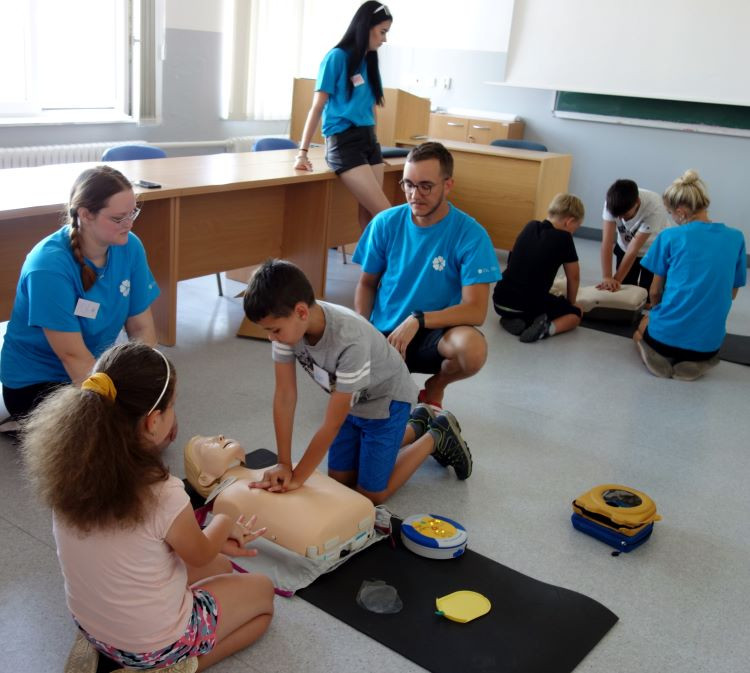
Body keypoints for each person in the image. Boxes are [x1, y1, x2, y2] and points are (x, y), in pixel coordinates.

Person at [21, 342, 274, 671]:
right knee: (263, 597)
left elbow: (151, 546)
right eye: (173, 405)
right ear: (153, 421)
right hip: (152, 645)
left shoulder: (67, 471)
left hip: (91, 627)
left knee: (222, 566)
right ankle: (176, 667)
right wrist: (225, 518)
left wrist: (213, 541)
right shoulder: (162, 493)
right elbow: (199, 554)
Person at [243, 259, 473, 506]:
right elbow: (285, 396)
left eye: (274, 330)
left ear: (301, 312)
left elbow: (332, 423)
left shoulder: (349, 340)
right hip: (351, 401)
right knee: (340, 482)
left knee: (369, 496)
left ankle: (437, 434)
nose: (271, 338)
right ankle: (418, 423)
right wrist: (284, 463)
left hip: (387, 401)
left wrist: (298, 478)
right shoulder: (288, 330)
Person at [1, 166, 160, 426]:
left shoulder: (130, 246)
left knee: (152, 424)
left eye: (133, 212)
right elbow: (72, 357)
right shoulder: (48, 266)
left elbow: (142, 328)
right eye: (118, 218)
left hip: (94, 366)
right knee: (114, 435)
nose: (129, 224)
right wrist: (118, 406)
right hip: (38, 382)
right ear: (85, 215)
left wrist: (147, 382)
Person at [352, 141, 501, 408]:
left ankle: (435, 386)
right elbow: (366, 284)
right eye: (408, 184)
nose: (414, 195)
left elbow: (476, 310)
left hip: (434, 333)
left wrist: (418, 320)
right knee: (365, 406)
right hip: (385, 334)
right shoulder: (385, 223)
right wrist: (364, 332)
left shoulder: (471, 234)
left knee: (473, 349)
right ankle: (388, 379)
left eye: (426, 186)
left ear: (448, 185)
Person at [633, 170, 746, 381]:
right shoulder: (736, 238)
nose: (672, 218)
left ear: (681, 211)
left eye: (670, 213)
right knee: (699, 340)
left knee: (641, 327)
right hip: (708, 345)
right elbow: (731, 294)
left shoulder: (669, 236)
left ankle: (655, 355)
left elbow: (655, 292)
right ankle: (697, 363)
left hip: (664, 340)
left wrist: (655, 311)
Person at [294, 1, 393, 231]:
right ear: (366, 27)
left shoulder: (369, 60)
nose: (385, 39)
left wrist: (375, 148)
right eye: (382, 32)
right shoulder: (336, 57)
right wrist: (302, 153)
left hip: (369, 142)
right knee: (386, 215)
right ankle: (402, 255)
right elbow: (317, 107)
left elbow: (371, 107)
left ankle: (368, 257)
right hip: (344, 143)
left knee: (370, 215)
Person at [492, 193, 584, 343]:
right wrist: (571, 303)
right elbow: (574, 277)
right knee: (576, 314)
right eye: (577, 227)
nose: (574, 231)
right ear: (569, 221)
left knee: (530, 298)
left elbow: (512, 262)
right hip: (526, 304)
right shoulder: (564, 238)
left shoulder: (529, 226)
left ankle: (512, 319)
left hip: (499, 299)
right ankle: (546, 329)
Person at [598, 179, 668, 296]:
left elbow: (633, 249)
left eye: (625, 215)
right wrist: (607, 277)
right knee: (625, 291)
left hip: (652, 250)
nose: (621, 219)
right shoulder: (612, 203)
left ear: (637, 202)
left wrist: (616, 280)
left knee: (647, 294)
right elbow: (607, 242)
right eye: (617, 216)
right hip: (625, 245)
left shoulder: (654, 206)